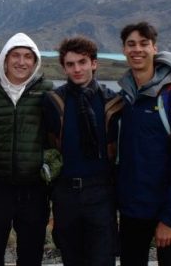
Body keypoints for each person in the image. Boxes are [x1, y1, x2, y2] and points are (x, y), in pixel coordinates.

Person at [116, 22, 171, 266]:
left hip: (168, 208)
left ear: (155, 48)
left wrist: (170, 218)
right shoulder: (127, 98)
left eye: (144, 44)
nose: (137, 50)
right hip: (133, 208)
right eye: (131, 44)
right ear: (123, 50)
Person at [0, 32, 53, 266]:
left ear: (35, 61)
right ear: (5, 59)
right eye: (16, 56)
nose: (22, 62)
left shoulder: (47, 90)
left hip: (34, 189)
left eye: (28, 57)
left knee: (31, 253)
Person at [42, 36, 119, 266]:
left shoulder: (112, 102)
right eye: (70, 64)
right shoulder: (54, 102)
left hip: (101, 192)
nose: (77, 69)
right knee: (71, 257)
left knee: (102, 258)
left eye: (82, 62)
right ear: (64, 67)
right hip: (66, 193)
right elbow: (47, 146)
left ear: (94, 63)